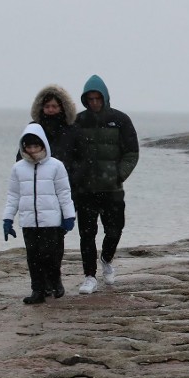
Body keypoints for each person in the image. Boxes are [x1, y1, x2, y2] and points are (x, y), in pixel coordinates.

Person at [73, 75, 139, 294]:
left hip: (112, 187)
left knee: (115, 229)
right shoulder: (77, 121)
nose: (94, 103)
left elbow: (132, 152)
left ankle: (106, 258)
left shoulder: (120, 120)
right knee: (87, 233)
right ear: (85, 100)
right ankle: (89, 276)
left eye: (97, 98)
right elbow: (69, 152)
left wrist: (119, 175)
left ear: (104, 97)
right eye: (89, 99)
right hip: (85, 190)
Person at [3, 125, 76, 304]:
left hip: (51, 221)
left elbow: (64, 193)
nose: (33, 150)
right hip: (28, 221)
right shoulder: (18, 168)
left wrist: (69, 216)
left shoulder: (56, 166)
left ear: (43, 145)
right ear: (24, 147)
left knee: (49, 254)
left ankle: (54, 281)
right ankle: (38, 290)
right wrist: (7, 219)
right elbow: (13, 195)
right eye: (29, 147)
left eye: (36, 146)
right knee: (33, 257)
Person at [19, 85, 78, 165]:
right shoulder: (34, 128)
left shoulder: (71, 130)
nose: (50, 110)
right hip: (38, 176)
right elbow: (22, 155)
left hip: (66, 175)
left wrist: (71, 175)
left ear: (62, 107)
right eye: (47, 106)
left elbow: (81, 159)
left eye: (54, 106)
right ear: (42, 108)